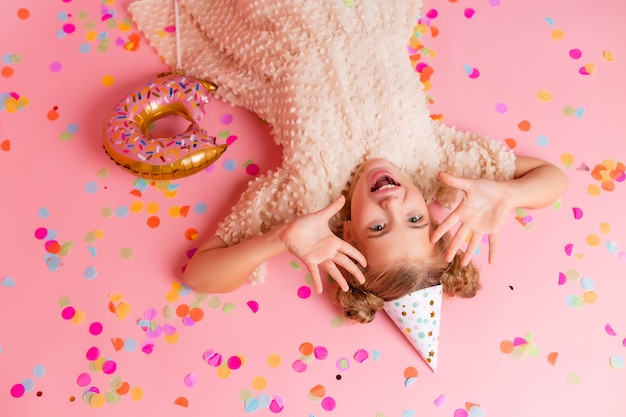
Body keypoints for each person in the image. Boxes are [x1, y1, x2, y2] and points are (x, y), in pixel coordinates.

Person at [129, 0, 568, 322]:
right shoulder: (437, 166)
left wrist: (279, 238)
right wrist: (508, 191)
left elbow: (201, 276)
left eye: (378, 228)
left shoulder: (311, 198)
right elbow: (554, 180)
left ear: (349, 235)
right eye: (415, 219)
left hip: (275, 22)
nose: (394, 204)